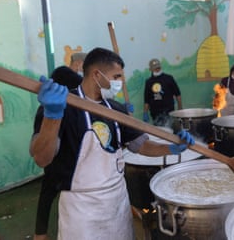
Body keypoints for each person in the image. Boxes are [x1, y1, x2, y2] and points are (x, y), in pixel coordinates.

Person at [29, 47, 194, 240]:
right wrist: (53, 116)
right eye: (116, 76)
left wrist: (171, 148)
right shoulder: (64, 105)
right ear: (97, 75)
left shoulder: (116, 110)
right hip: (82, 210)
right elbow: (42, 158)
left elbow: (140, 145)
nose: (120, 82)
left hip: (117, 203)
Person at [33, 53, 86, 240]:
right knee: (48, 193)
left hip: (70, 159)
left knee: (50, 195)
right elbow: (39, 151)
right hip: (55, 163)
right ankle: (40, 234)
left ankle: (41, 232)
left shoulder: (77, 103)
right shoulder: (47, 109)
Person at [143, 58, 182, 126]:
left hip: (169, 112)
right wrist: (145, 113)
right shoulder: (148, 82)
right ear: (151, 69)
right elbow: (147, 100)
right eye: (155, 68)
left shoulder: (169, 78)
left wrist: (180, 109)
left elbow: (177, 94)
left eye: (158, 67)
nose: (157, 69)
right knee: (158, 133)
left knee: (170, 132)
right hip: (155, 114)